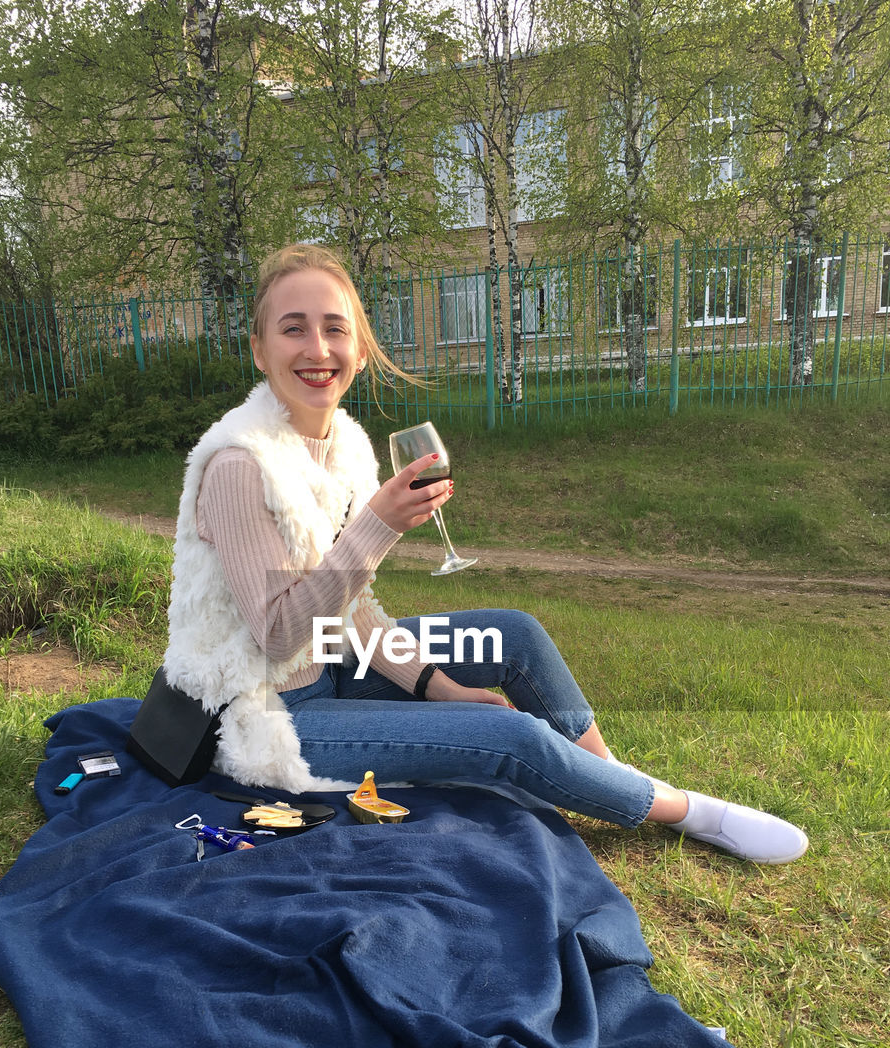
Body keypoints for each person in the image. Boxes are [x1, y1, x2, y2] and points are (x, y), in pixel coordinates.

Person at [162, 243, 807, 865]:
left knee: (513, 636)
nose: (318, 349)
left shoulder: (345, 448)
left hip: (334, 662)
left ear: (358, 346)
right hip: (270, 714)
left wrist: (441, 688)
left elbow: (350, 614)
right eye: (293, 329)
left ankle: (604, 773)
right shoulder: (240, 468)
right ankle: (687, 812)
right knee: (510, 739)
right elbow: (277, 636)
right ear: (260, 349)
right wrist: (377, 528)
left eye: (335, 328)